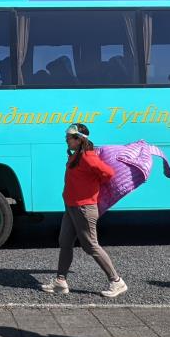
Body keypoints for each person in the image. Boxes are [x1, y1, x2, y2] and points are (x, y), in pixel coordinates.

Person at [40, 123, 128, 298]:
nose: (66, 140)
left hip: (84, 208)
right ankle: (60, 281)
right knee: (65, 241)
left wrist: (93, 186)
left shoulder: (88, 157)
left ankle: (117, 281)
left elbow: (108, 173)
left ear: (79, 139)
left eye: (69, 137)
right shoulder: (76, 156)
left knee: (90, 245)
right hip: (71, 207)